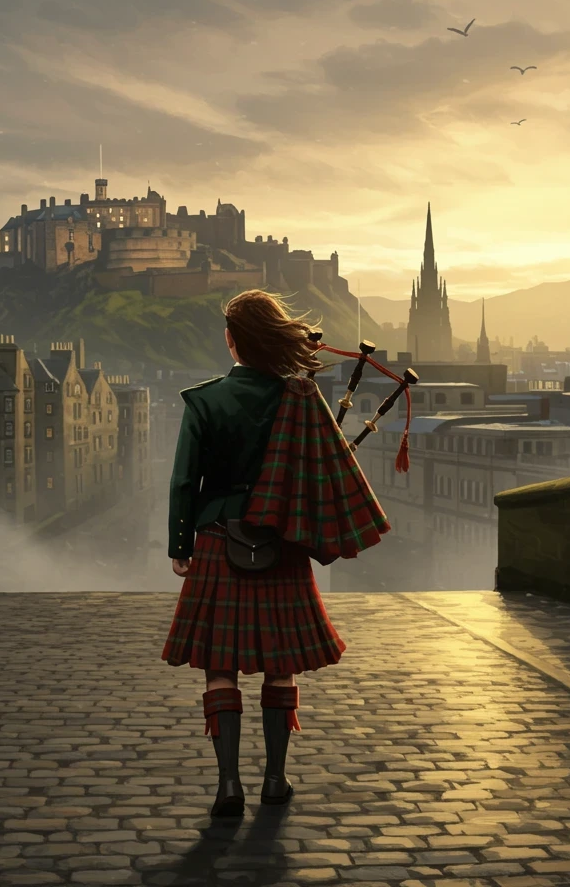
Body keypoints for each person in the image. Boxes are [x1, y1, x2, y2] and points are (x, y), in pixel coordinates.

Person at [161, 289, 392, 817]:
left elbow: (183, 481)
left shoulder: (204, 400)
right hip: (282, 542)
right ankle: (275, 779)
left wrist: (180, 546)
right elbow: (322, 470)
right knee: (280, 666)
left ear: (231, 340)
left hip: (218, 540)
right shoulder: (301, 397)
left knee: (219, 667)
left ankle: (227, 786)